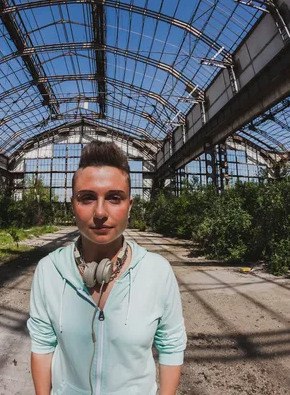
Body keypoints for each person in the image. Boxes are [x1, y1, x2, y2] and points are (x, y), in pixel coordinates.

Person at [27, 140, 187, 395]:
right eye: (87, 198)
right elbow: (43, 346)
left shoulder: (157, 272)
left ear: (129, 206)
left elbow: (171, 346)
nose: (100, 212)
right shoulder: (49, 271)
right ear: (73, 205)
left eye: (114, 198)